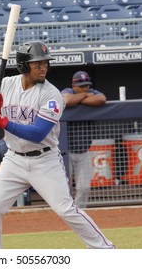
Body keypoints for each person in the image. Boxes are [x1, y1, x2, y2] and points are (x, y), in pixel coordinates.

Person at [0, 41, 115, 249]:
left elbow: (38, 133)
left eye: (45, 64)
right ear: (24, 66)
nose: (44, 68)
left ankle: (106, 250)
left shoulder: (52, 94)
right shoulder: (5, 84)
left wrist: (2, 121)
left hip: (44, 160)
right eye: (37, 64)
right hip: (13, 159)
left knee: (65, 209)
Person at [60, 71, 106, 208]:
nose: (84, 88)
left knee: (84, 187)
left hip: (84, 151)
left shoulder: (93, 91)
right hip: (65, 151)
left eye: (86, 86)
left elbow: (102, 99)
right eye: (81, 86)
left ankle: (79, 212)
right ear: (73, 85)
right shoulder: (68, 91)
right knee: (63, 187)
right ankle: (65, 211)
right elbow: (67, 100)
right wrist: (85, 96)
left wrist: (80, 99)